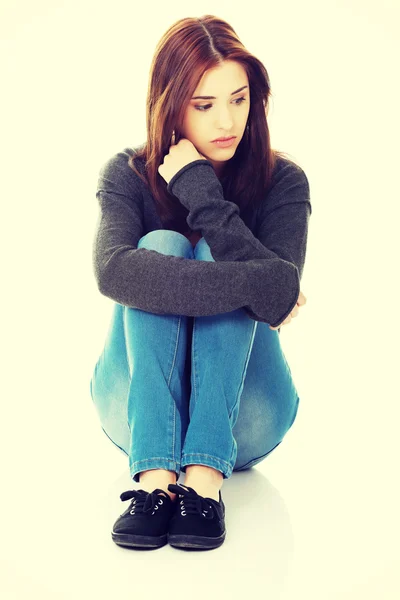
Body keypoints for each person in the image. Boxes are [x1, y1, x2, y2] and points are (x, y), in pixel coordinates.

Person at [90, 14, 311, 551]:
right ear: (169, 105)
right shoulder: (125, 173)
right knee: (158, 245)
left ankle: (206, 479)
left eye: (238, 99)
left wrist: (203, 196)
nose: (227, 121)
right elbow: (113, 271)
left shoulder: (284, 181)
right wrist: (253, 283)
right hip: (136, 414)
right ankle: (157, 481)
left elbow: (280, 295)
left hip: (247, 421)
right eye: (204, 106)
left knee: (212, 248)